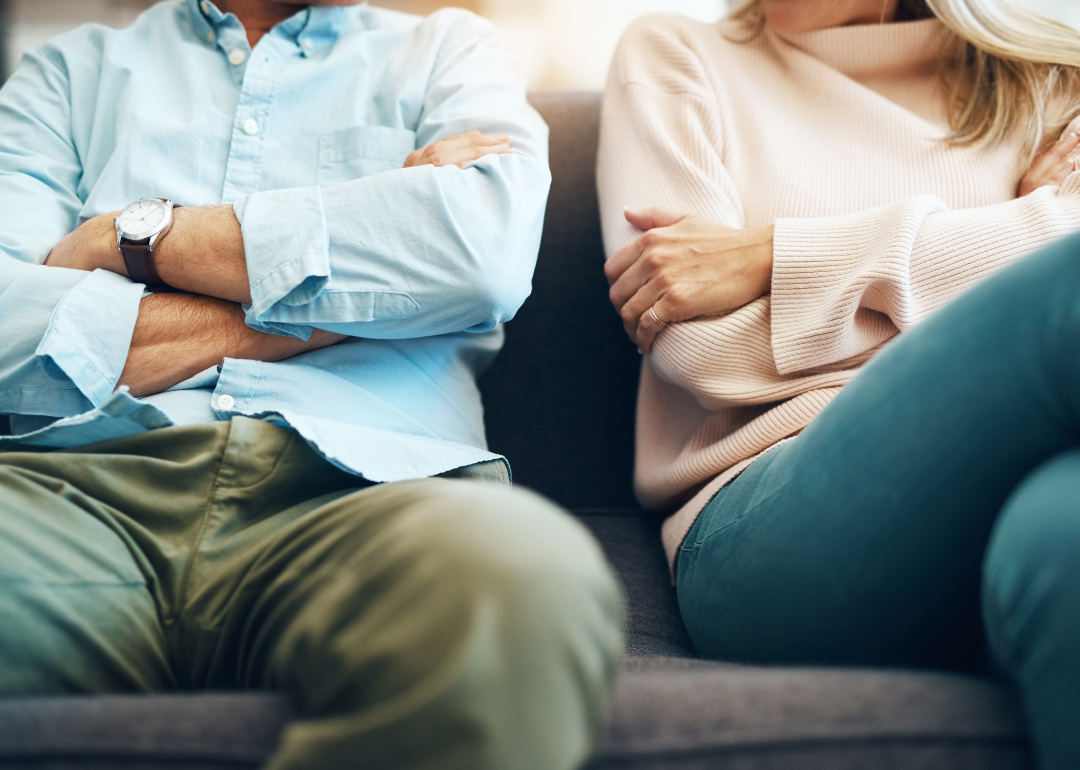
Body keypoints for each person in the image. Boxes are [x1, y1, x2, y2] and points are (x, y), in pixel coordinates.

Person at [0, 1, 624, 768]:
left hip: (370, 494)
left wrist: (124, 239)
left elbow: (480, 255)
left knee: (526, 576)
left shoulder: (450, 52)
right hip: (69, 492)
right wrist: (368, 284)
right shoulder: (68, 72)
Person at [598, 0, 1080, 766]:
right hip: (769, 519)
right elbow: (701, 351)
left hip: (1010, 491)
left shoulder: (1053, 77)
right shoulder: (677, 56)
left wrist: (772, 259)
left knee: (1066, 532)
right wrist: (1007, 233)